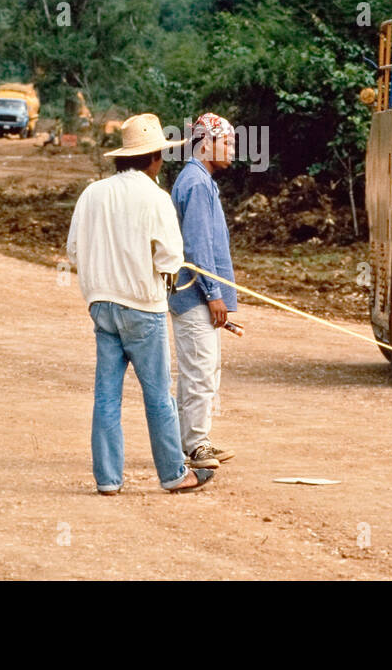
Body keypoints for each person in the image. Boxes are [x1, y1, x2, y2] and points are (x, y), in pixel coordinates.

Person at [65, 113, 215, 495]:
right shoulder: (156, 197)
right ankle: (173, 474)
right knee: (158, 396)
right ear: (151, 158)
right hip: (142, 308)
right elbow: (169, 260)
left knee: (106, 396)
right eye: (160, 155)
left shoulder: (92, 194)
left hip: (101, 305)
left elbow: (73, 250)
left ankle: (108, 479)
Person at [169, 113, 238, 471]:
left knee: (203, 368)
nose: (232, 150)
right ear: (206, 143)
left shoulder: (202, 181)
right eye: (226, 142)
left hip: (201, 295)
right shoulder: (196, 183)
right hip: (195, 294)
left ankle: (196, 439)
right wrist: (213, 294)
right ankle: (196, 445)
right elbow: (197, 247)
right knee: (199, 369)